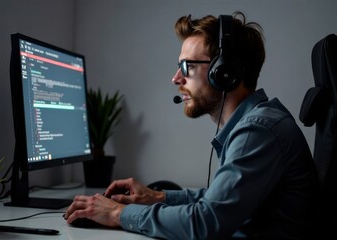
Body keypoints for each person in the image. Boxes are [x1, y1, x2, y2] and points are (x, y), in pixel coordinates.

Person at [65, 11, 318, 239]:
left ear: (224, 73)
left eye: (187, 66)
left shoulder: (258, 130)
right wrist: (157, 197)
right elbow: (219, 201)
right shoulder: (257, 123)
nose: (176, 78)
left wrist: (117, 214)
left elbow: (206, 222)